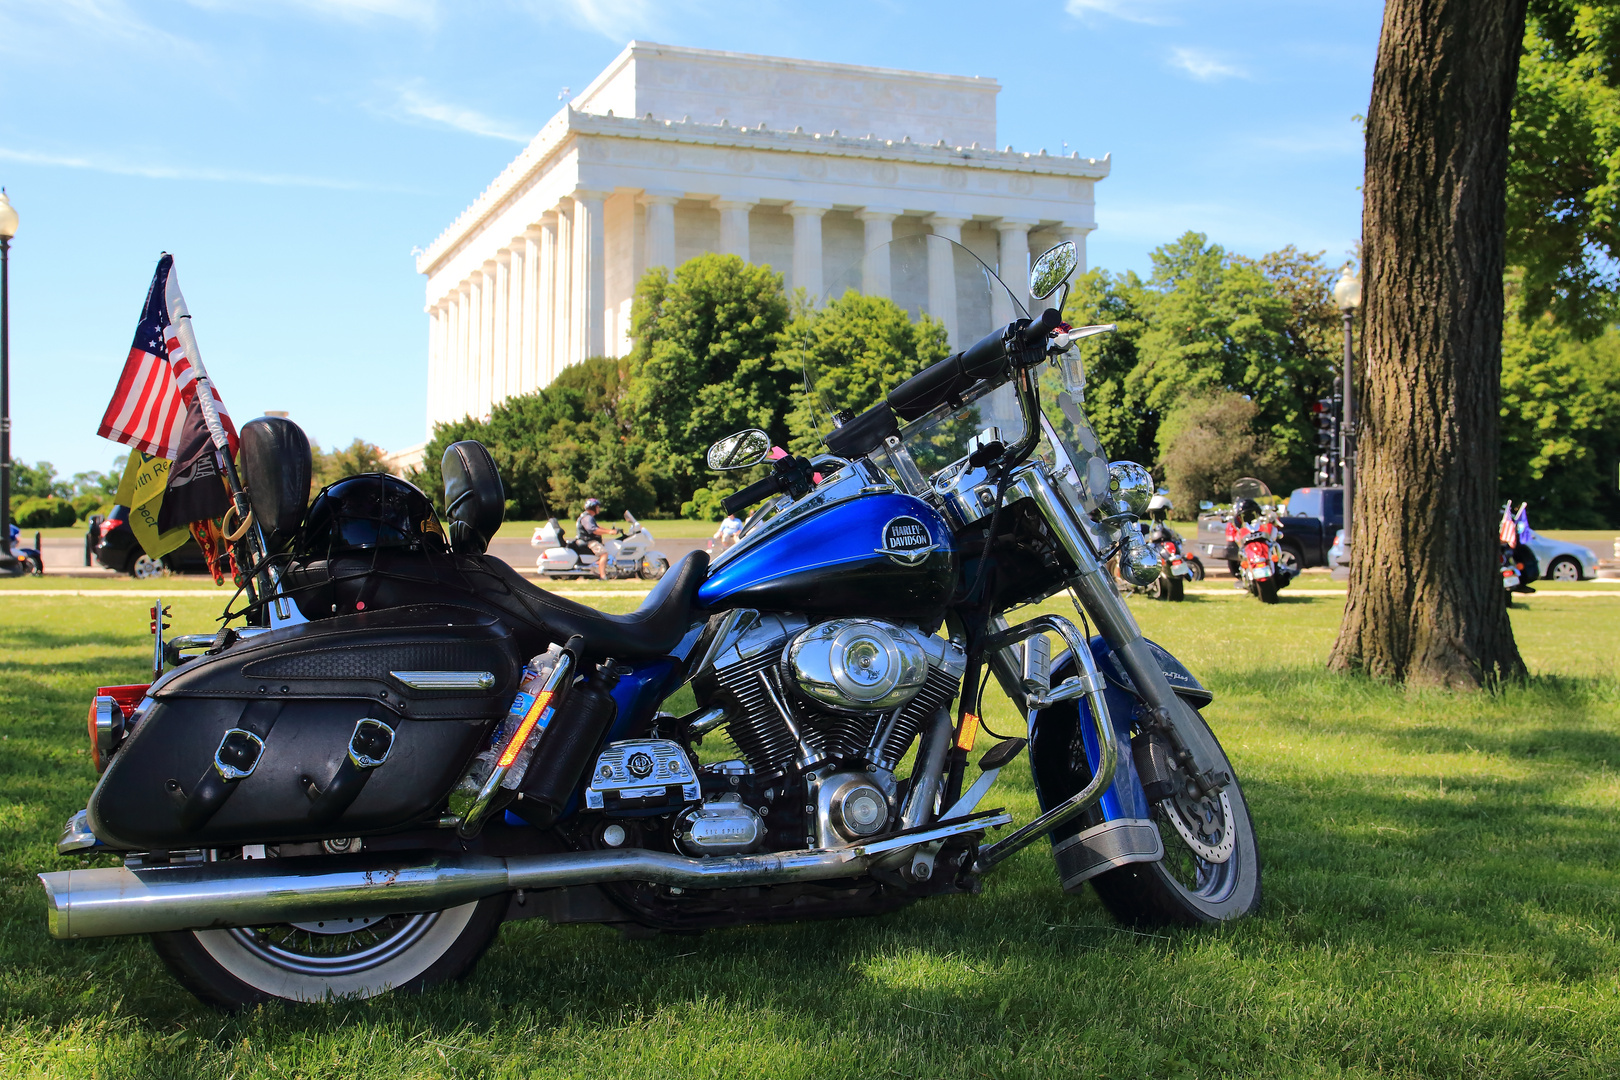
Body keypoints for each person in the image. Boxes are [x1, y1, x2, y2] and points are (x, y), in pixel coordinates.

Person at [576, 498, 611, 580]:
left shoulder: (587, 517)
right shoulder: (587, 518)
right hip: (589, 541)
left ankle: (598, 569)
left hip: (588, 540)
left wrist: (610, 530)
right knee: (604, 554)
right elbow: (594, 530)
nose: (599, 508)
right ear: (593, 508)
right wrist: (609, 532)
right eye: (597, 507)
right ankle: (602, 576)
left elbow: (597, 527)